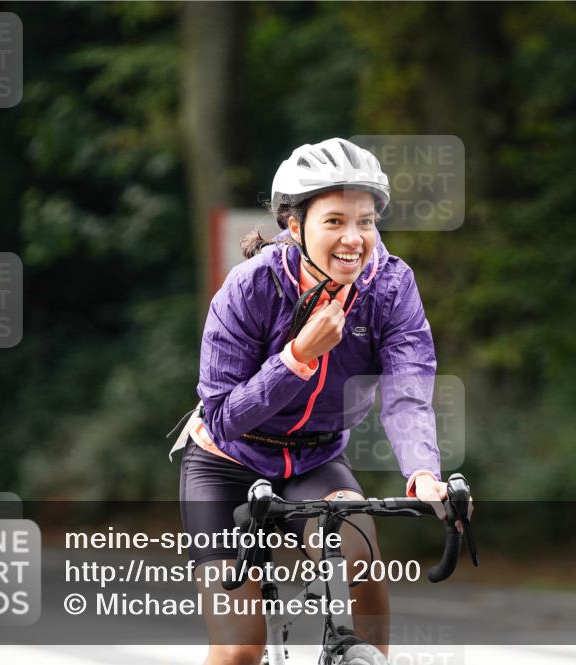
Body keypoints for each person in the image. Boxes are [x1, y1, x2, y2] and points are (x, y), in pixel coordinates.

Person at [170, 138, 447, 665]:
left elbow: (408, 392)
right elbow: (224, 417)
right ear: (294, 226)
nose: (354, 238)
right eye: (335, 221)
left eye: (366, 222)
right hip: (227, 461)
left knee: (359, 558)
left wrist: (423, 473)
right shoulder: (250, 287)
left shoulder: (390, 288)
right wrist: (297, 357)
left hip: (315, 459)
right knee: (238, 648)